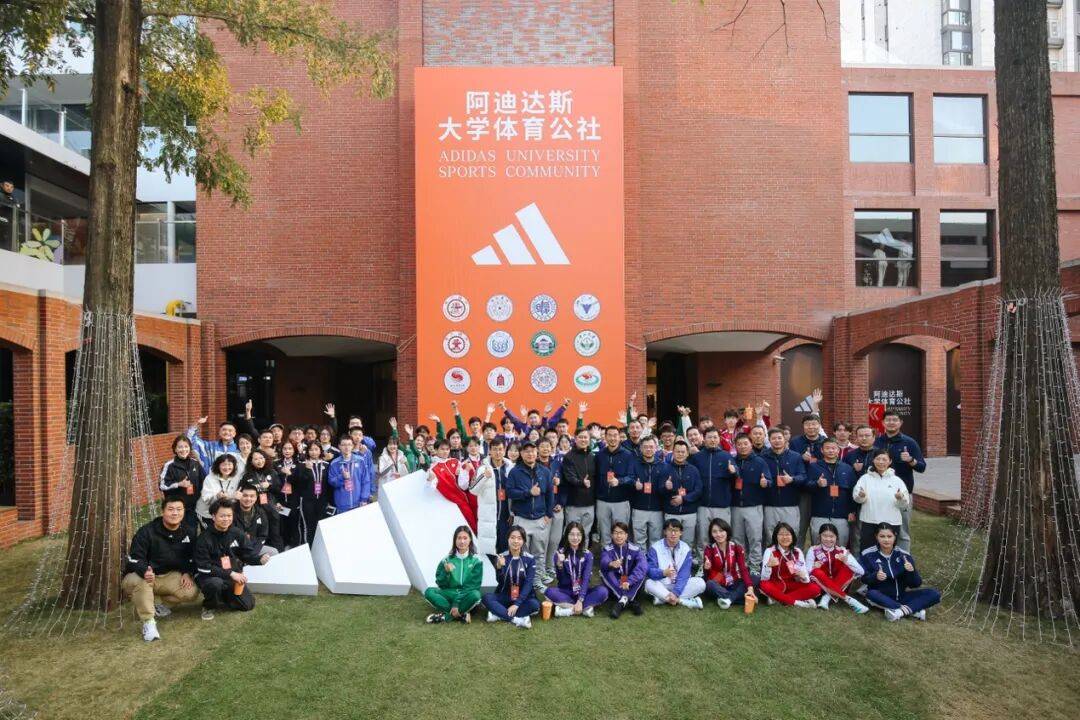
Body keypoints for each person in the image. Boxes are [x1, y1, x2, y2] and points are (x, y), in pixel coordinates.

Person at [122, 498, 201, 641]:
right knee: (142, 580)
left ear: (184, 512)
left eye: (179, 509)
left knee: (191, 592)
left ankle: (161, 606)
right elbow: (134, 558)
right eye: (170, 509)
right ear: (162, 511)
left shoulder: (189, 531)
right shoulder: (146, 531)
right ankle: (149, 622)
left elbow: (191, 557)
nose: (175, 513)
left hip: (168, 576)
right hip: (142, 576)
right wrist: (144, 570)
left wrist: (187, 572)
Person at [193, 498, 271, 619]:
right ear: (213, 517)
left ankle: (223, 595)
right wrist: (231, 574)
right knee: (215, 584)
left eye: (229, 516)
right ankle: (208, 605)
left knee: (247, 605)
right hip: (210, 576)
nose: (226, 519)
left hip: (231, 575)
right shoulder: (203, 539)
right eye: (222, 516)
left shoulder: (237, 533)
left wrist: (259, 560)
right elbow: (204, 567)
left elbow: (246, 554)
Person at [860, 523, 940, 621]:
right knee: (871, 594)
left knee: (934, 594)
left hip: (902, 596)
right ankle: (912, 609)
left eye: (889, 536)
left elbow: (915, 584)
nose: (886, 540)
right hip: (881, 596)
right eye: (882, 536)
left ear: (895, 536)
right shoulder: (868, 554)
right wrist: (875, 576)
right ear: (876, 537)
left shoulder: (904, 555)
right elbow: (864, 579)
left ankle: (899, 612)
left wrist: (911, 571)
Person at [874, 410, 926, 552]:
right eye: (888, 420)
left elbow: (922, 467)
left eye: (895, 420)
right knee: (880, 530)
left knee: (902, 532)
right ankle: (882, 559)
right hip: (879, 494)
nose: (891, 422)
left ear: (900, 423)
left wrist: (910, 460)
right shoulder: (877, 442)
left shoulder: (909, 442)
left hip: (902, 494)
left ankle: (904, 559)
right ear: (883, 423)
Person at [506, 441, 554, 590]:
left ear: (537, 452)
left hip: (540, 519)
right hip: (522, 519)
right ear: (521, 454)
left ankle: (536, 581)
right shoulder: (515, 472)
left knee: (539, 553)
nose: (530, 454)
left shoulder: (545, 471)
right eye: (526, 451)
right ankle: (521, 582)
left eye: (533, 451)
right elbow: (510, 492)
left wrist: (548, 514)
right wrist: (528, 493)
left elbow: (550, 494)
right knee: (521, 552)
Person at [691, 427, 738, 556]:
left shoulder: (726, 456)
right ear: (704, 439)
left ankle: (724, 561)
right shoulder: (697, 457)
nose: (712, 440)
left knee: (723, 536)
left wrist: (734, 471)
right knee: (703, 537)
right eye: (709, 437)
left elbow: (736, 475)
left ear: (719, 439)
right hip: (703, 505)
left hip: (722, 505)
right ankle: (703, 561)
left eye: (715, 437)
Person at [546, 522, 608, 617]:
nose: (575, 538)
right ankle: (584, 609)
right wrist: (560, 565)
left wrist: (580, 599)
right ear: (567, 536)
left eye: (578, 535)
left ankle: (568, 610)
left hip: (583, 591)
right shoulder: (559, 554)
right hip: (566, 591)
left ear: (582, 536)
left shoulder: (588, 555)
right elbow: (561, 581)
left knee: (603, 591)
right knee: (549, 592)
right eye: (572, 534)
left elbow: (586, 579)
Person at [424, 525, 484, 624]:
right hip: (450, 593)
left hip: (466, 594)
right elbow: (441, 584)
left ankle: (445, 617)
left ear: (470, 540)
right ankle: (461, 614)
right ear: (455, 540)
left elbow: (473, 586)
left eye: (465, 538)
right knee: (429, 592)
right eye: (459, 538)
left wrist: (456, 603)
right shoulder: (446, 560)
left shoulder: (476, 562)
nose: (462, 541)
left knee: (476, 595)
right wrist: (446, 572)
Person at [853, 448, 910, 551]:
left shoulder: (897, 481)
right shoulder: (865, 479)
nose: (881, 462)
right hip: (869, 521)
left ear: (890, 461)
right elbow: (857, 498)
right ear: (873, 460)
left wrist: (900, 498)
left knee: (888, 551)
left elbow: (904, 504)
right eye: (878, 459)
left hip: (891, 522)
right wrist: (861, 496)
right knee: (867, 551)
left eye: (884, 459)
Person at [483, 525, 540, 628]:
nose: (515, 541)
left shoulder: (530, 559)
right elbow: (500, 581)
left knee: (534, 604)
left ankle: (499, 614)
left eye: (519, 538)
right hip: (506, 596)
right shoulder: (502, 557)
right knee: (486, 598)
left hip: (523, 598)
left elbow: (528, 583)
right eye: (512, 537)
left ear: (523, 541)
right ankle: (516, 619)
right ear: (508, 539)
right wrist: (499, 568)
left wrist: (517, 603)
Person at [730, 434, 773, 569]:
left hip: (754, 506)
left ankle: (755, 564)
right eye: (739, 444)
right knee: (737, 538)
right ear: (735, 446)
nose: (742, 447)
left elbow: (769, 480)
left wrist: (765, 482)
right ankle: (740, 564)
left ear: (751, 444)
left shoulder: (759, 462)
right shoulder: (732, 461)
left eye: (745, 444)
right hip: (735, 506)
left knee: (755, 537)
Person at [806, 523, 869, 613]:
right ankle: (850, 600)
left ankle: (826, 598)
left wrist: (846, 561)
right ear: (820, 536)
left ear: (836, 537)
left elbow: (861, 571)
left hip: (839, 584)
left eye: (831, 536)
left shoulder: (842, 550)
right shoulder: (813, 550)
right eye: (825, 536)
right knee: (816, 571)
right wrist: (813, 567)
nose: (828, 539)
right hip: (820, 585)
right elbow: (807, 573)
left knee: (849, 568)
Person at [806, 438, 857, 547]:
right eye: (827, 448)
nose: (830, 450)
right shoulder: (813, 467)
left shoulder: (847, 468)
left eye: (833, 448)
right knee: (818, 546)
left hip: (841, 515)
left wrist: (852, 510)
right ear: (822, 450)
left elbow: (852, 491)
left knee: (840, 546)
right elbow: (805, 486)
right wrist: (817, 484)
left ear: (838, 450)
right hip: (819, 514)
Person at [761, 427, 806, 548]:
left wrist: (792, 479)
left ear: (785, 439)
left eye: (779, 438)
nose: (777, 441)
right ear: (769, 440)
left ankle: (791, 559)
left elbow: (803, 476)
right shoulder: (763, 457)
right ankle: (772, 559)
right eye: (773, 438)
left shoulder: (795, 457)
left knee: (791, 535)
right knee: (771, 536)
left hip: (790, 504)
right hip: (770, 505)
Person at [645, 519, 705, 608]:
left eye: (676, 531)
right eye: (670, 530)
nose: (673, 534)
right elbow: (650, 571)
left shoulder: (685, 548)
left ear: (681, 533)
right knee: (648, 583)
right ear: (665, 532)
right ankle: (682, 600)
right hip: (662, 584)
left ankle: (664, 598)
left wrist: (676, 592)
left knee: (701, 583)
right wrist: (663, 573)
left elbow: (684, 574)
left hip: (680, 584)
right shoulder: (655, 548)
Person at [759, 522, 821, 608]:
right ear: (776, 537)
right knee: (764, 584)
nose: (784, 537)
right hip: (776, 585)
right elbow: (764, 578)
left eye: (787, 534)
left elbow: (806, 580)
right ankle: (798, 603)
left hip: (792, 585)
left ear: (792, 536)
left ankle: (778, 599)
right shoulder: (770, 551)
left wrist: (803, 577)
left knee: (815, 588)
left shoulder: (797, 552)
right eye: (781, 534)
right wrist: (768, 566)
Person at [789, 413, 827, 547]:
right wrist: (801, 458)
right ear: (803, 427)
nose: (811, 427)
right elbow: (791, 462)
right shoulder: (795, 442)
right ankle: (797, 553)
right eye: (808, 424)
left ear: (819, 425)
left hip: (821, 489)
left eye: (814, 424)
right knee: (801, 526)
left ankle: (818, 554)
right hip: (802, 489)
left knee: (820, 528)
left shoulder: (825, 441)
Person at [594, 425, 635, 547]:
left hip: (621, 501)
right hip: (602, 501)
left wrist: (620, 481)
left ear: (619, 437)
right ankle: (606, 558)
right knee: (604, 534)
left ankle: (621, 557)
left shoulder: (628, 455)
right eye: (610, 435)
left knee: (620, 534)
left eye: (615, 435)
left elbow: (632, 477)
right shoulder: (599, 455)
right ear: (605, 437)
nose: (613, 438)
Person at [702, 518, 757, 609]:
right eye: (714, 532)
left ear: (727, 531)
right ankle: (738, 598)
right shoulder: (709, 549)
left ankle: (728, 599)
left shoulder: (736, 547)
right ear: (711, 534)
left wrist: (750, 588)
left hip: (733, 581)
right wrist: (706, 568)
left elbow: (743, 569)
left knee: (755, 578)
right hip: (718, 583)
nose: (718, 534)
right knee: (709, 584)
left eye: (721, 531)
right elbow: (707, 576)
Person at [659, 440, 701, 553]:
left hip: (689, 512)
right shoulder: (665, 469)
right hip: (671, 512)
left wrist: (683, 499)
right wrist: (666, 487)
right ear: (673, 452)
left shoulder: (693, 470)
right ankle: (671, 563)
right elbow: (659, 491)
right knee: (671, 542)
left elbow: (698, 490)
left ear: (687, 453)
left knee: (688, 543)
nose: (680, 454)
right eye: (677, 451)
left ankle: (686, 562)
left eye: (683, 452)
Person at [427, 438, 478, 531]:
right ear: (436, 450)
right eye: (442, 449)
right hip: (450, 505)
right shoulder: (433, 469)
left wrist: (466, 471)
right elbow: (430, 491)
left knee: (473, 526)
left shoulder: (455, 462)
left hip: (465, 501)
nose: (445, 451)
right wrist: (430, 480)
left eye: (447, 449)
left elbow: (463, 486)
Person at [474, 437, 512, 555]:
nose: (498, 452)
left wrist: (512, 513)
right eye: (495, 449)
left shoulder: (510, 468)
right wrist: (484, 477)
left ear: (504, 450)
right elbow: (473, 490)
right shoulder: (483, 469)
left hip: (506, 516)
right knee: (488, 550)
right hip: (489, 516)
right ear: (489, 450)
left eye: (500, 449)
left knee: (505, 550)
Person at [600, 521, 647, 618]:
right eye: (616, 533)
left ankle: (621, 602)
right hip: (616, 582)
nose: (618, 536)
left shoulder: (635, 549)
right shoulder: (607, 549)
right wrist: (611, 563)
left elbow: (643, 565)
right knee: (604, 571)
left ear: (626, 535)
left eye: (621, 533)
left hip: (630, 582)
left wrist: (629, 581)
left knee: (642, 571)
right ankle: (630, 600)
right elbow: (603, 560)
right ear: (612, 535)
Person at [158, 435, 205, 533]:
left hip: (193, 507)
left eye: (186, 446)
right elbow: (162, 485)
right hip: (176, 508)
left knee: (192, 532)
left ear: (190, 448)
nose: (183, 450)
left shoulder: (195, 463)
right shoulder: (169, 465)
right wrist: (179, 484)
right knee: (177, 533)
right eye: (180, 447)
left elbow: (204, 482)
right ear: (175, 449)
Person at [241, 448, 284, 550]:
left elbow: (279, 490)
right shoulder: (247, 476)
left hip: (271, 509)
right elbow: (243, 492)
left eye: (261, 458)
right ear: (251, 461)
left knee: (275, 534)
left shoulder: (272, 472)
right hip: (256, 510)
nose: (259, 461)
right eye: (256, 459)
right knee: (260, 535)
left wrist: (269, 486)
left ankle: (279, 553)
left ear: (265, 459)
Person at [632, 435, 669, 547]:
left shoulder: (663, 466)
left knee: (656, 541)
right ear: (641, 449)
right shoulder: (634, 464)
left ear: (656, 448)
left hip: (657, 509)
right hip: (639, 508)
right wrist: (634, 484)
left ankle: (653, 559)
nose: (648, 449)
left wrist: (667, 487)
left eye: (651, 447)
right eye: (645, 447)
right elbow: (629, 479)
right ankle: (641, 559)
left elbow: (665, 489)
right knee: (639, 540)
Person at [561, 427, 596, 541]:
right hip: (574, 504)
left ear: (589, 439)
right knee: (572, 534)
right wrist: (582, 483)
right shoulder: (568, 457)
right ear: (575, 439)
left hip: (590, 504)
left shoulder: (592, 456)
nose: (583, 440)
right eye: (580, 437)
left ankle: (584, 553)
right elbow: (569, 477)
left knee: (585, 534)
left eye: (585, 437)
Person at [294, 440, 330, 542]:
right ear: (307, 451)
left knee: (321, 525)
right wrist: (307, 470)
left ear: (320, 450)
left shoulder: (326, 465)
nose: (313, 452)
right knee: (309, 526)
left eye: (316, 449)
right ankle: (309, 548)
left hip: (322, 500)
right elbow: (299, 484)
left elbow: (328, 485)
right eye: (311, 450)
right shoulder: (302, 465)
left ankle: (319, 548)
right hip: (307, 500)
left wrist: (329, 501)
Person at [328, 435, 373, 514]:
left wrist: (364, 499)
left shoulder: (360, 461)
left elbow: (365, 481)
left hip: (358, 503)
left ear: (352, 446)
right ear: (339, 446)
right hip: (342, 504)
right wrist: (342, 477)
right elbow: (331, 482)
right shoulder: (334, 463)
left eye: (349, 444)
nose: (346, 447)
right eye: (344, 445)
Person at [233, 483, 279, 555]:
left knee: (274, 552)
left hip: (253, 546)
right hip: (235, 548)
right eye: (245, 495)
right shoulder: (231, 511)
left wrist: (254, 552)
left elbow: (263, 536)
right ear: (239, 496)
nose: (248, 499)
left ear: (256, 498)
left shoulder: (260, 512)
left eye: (252, 496)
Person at [196, 453, 242, 527]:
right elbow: (206, 499)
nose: (227, 467)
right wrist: (217, 496)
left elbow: (236, 496)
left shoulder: (236, 478)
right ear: (218, 466)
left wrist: (237, 497)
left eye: (229, 464)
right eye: (223, 464)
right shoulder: (210, 479)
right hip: (208, 514)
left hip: (224, 515)